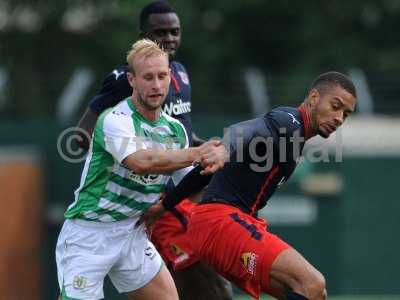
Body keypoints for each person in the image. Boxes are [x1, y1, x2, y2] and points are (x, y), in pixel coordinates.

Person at [143, 71, 357, 300]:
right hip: (221, 224)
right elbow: (243, 131)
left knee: (314, 294)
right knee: (312, 284)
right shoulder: (290, 121)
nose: (338, 118)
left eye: (345, 114)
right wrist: (224, 149)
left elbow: (205, 172)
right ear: (314, 97)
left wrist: (165, 205)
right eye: (335, 106)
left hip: (217, 228)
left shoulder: (295, 140)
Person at [75, 2, 234, 299]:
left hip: (181, 189)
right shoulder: (126, 78)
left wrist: (208, 147)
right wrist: (131, 162)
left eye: (175, 31)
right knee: (215, 289)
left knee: (194, 286)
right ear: (143, 36)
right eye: (160, 32)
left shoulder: (180, 73)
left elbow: (181, 135)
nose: (169, 38)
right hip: (155, 195)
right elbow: (83, 134)